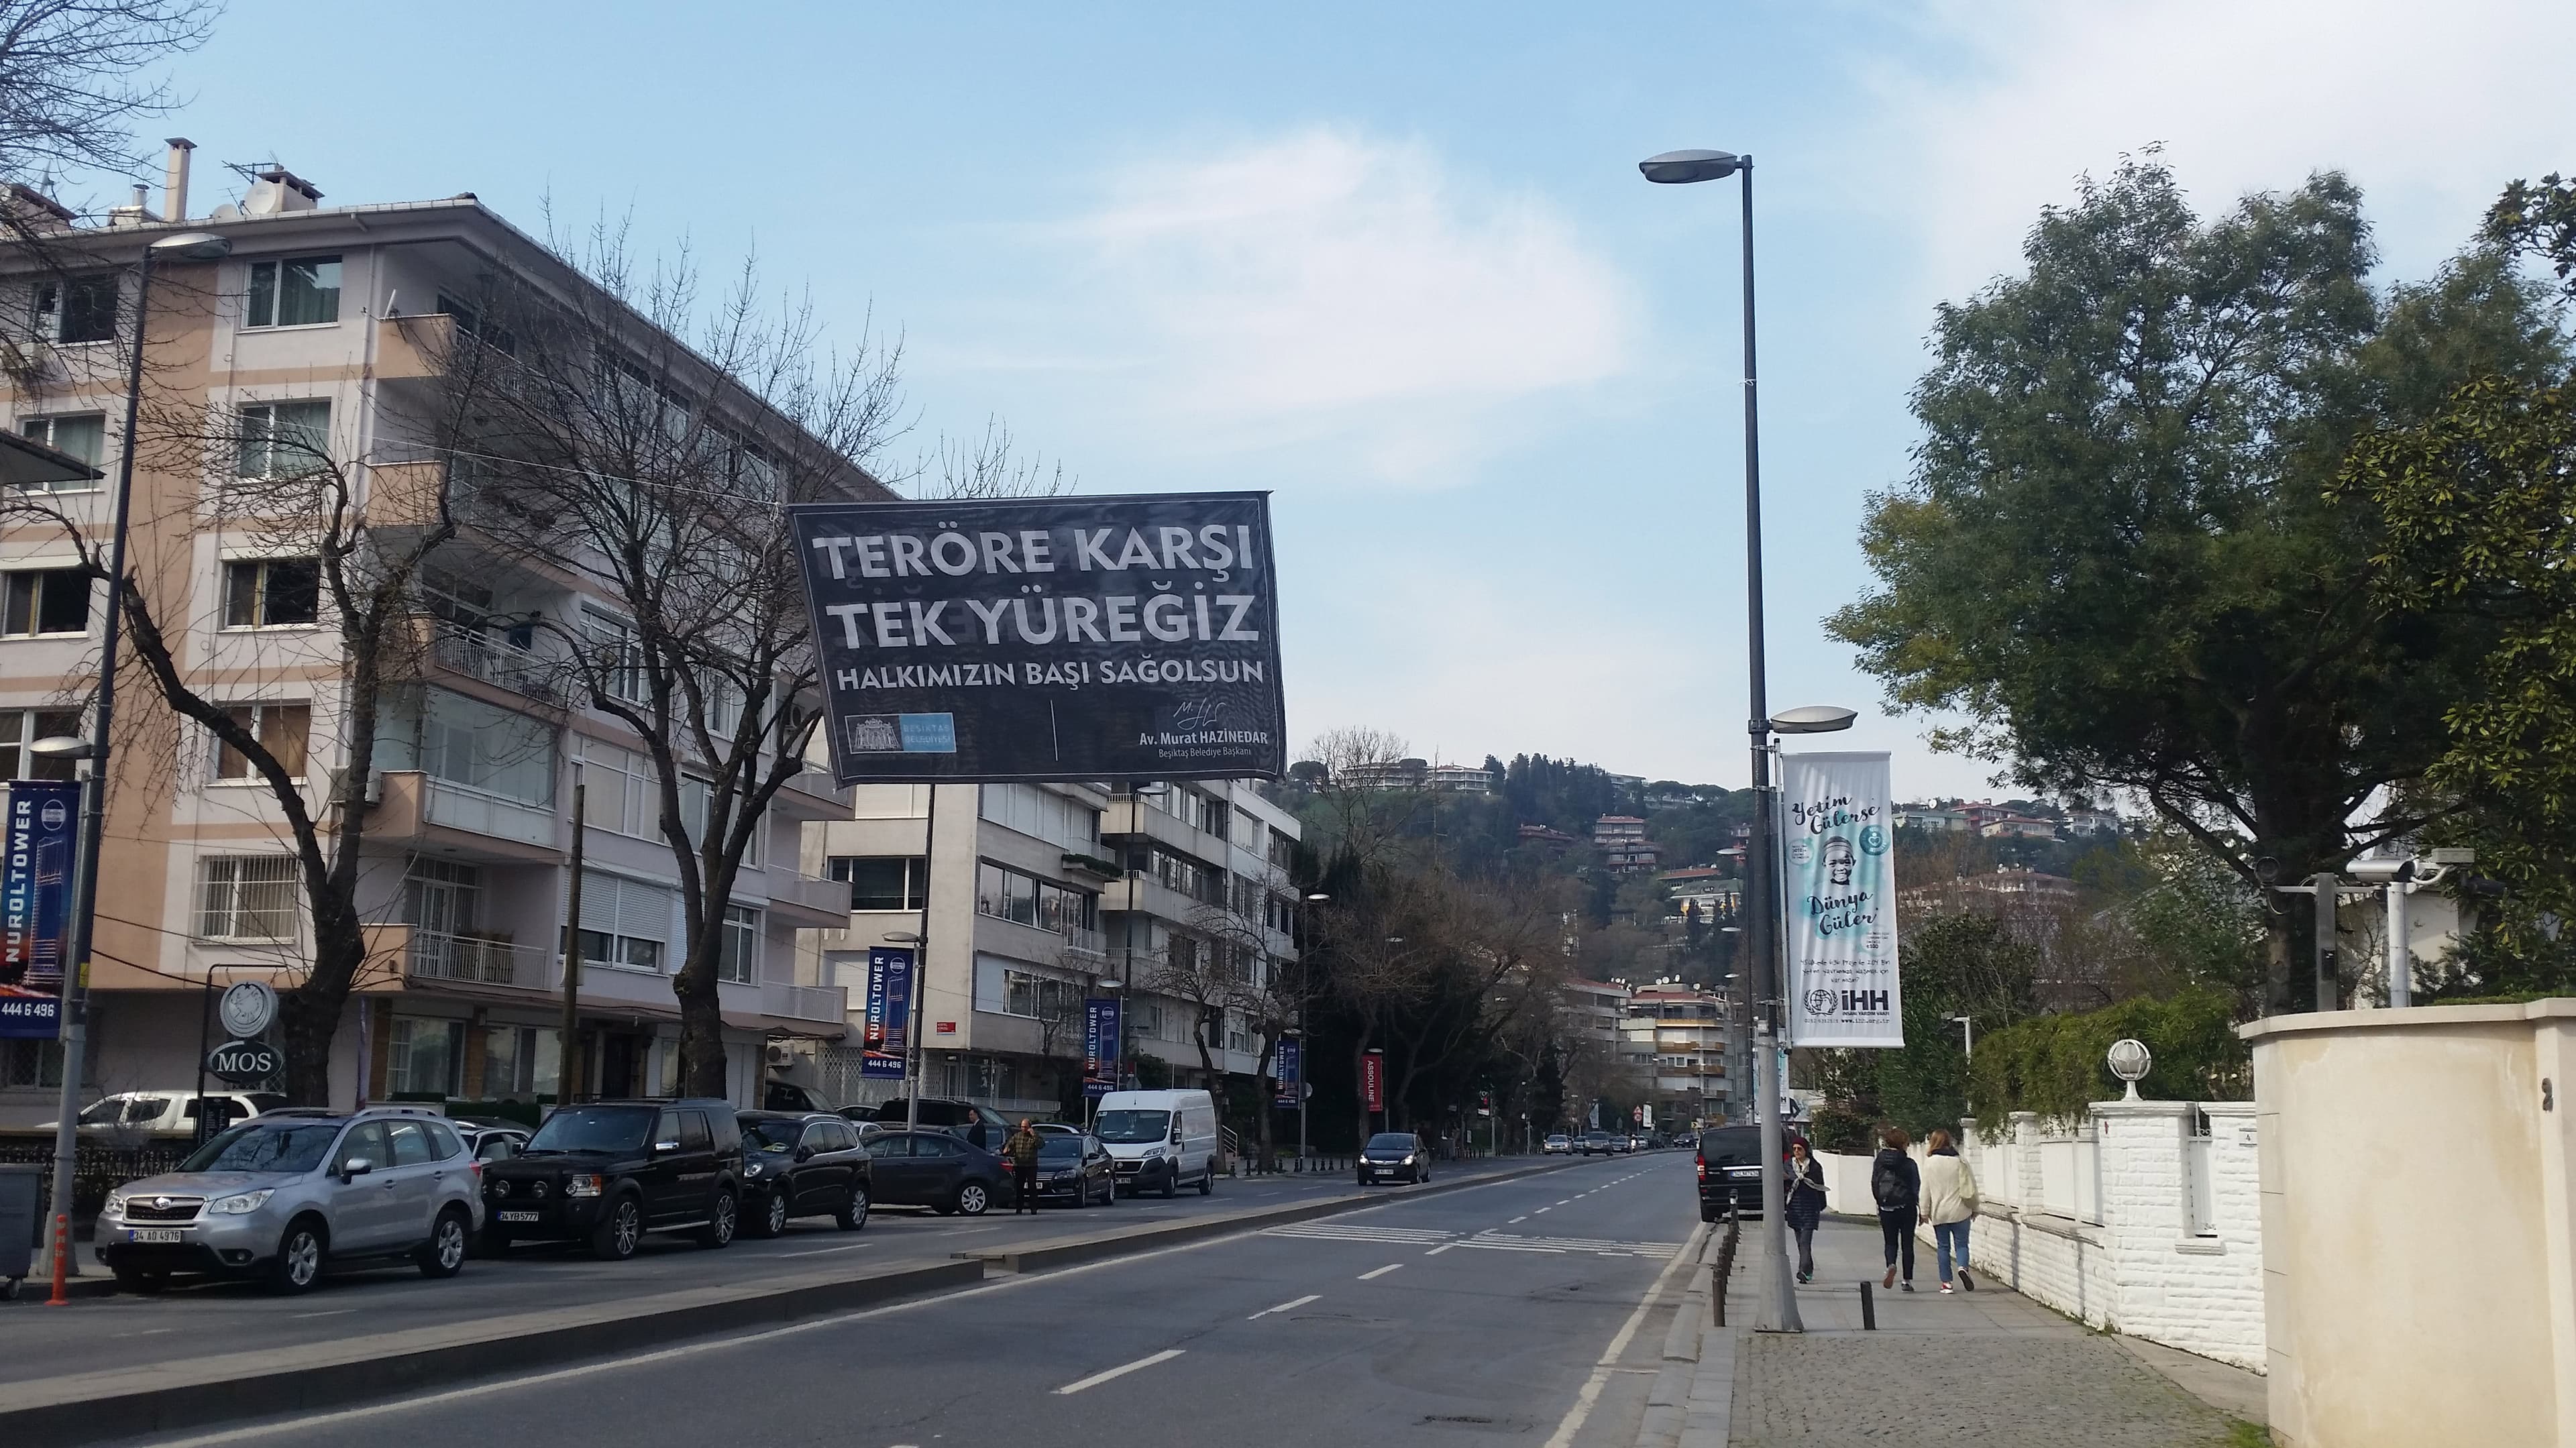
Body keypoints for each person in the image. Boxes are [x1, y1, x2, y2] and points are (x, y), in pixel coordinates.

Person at [1919, 1127, 1979, 1294]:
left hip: (1940, 1212)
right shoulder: (1961, 1161)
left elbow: (1925, 1189)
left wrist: (1924, 1212)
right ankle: (1962, 1268)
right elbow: (1971, 1186)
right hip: (1961, 1210)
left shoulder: (1930, 1163)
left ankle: (1947, 1283)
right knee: (1962, 1244)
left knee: (1943, 1247)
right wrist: (1975, 1208)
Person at [1870, 1125, 1920, 1292]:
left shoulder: (1879, 1161)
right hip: (1906, 1207)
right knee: (1907, 1244)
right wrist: (1916, 1203)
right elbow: (1915, 1186)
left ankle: (1891, 1265)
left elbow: (1875, 1182)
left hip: (1886, 1207)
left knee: (1890, 1242)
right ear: (1903, 1144)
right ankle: (1906, 1281)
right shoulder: (1909, 1164)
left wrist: (1879, 1201)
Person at [1785, 1139, 1827, 1284]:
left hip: (1810, 1207)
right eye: (1795, 1148)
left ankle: (1802, 1271)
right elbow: (1785, 1183)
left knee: (1805, 1242)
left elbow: (1820, 1187)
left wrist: (1821, 1206)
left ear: (1806, 1150)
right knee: (1800, 1242)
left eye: (1800, 1149)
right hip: (1795, 1208)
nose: (1797, 1151)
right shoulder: (1788, 1166)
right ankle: (1808, 1270)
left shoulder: (1815, 1167)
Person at [1003, 1118, 1042, 1214]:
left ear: (1030, 1127)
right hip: (1019, 1165)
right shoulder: (1017, 1136)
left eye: (1026, 1127)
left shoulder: (1034, 1137)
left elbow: (1040, 1145)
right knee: (1019, 1187)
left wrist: (1033, 1134)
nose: (1024, 1129)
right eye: (1022, 1127)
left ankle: (1034, 1208)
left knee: (1032, 1187)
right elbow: (1010, 1144)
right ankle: (1019, 1208)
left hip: (1031, 1166)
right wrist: (1007, 1149)